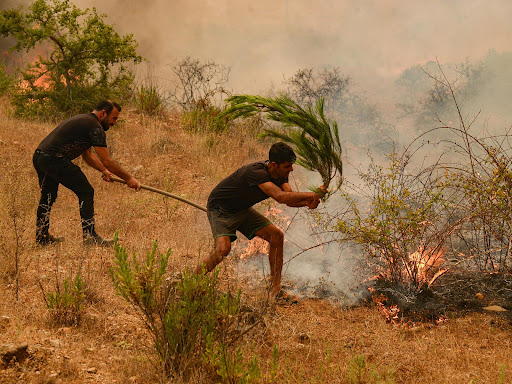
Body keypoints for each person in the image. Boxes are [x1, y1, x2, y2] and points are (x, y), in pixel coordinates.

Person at [196, 142, 323, 301]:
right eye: (287, 166)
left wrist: (306, 203)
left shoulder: (281, 173)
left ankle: (275, 292)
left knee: (276, 236)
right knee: (223, 249)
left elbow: (288, 198)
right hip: (221, 209)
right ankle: (190, 283)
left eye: (291, 166)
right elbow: (280, 196)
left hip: (242, 209)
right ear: (274, 164)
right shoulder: (256, 172)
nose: (291, 169)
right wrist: (311, 195)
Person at [33, 100, 141, 247]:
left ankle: (42, 238)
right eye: (114, 118)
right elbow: (107, 160)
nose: (114, 123)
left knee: (48, 195)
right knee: (86, 191)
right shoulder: (95, 127)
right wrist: (129, 178)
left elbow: (88, 155)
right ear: (103, 113)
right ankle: (90, 238)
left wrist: (103, 171)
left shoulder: (85, 121)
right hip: (54, 159)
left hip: (40, 157)